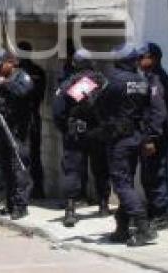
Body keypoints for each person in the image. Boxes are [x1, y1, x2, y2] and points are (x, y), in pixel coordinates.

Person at [99, 45, 166, 246]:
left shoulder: (112, 80)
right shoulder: (143, 81)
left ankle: (143, 227)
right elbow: (153, 110)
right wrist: (151, 136)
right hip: (136, 138)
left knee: (121, 184)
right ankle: (122, 227)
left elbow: (98, 105)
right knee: (127, 182)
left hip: (119, 140)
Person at [52, 49, 111, 227]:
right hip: (98, 132)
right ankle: (103, 205)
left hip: (75, 133)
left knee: (72, 170)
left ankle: (70, 210)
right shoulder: (103, 81)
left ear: (75, 64)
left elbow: (58, 111)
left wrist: (65, 128)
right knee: (101, 167)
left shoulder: (68, 84)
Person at [0, 49, 34, 219]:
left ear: (10, 62)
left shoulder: (22, 76)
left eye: (0, 66)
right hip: (2, 127)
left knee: (19, 168)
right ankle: (9, 203)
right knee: (5, 166)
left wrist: (5, 84)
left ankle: (21, 205)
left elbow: (25, 92)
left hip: (18, 130)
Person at [138, 43, 168, 230]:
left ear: (153, 58)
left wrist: (151, 137)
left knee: (156, 176)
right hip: (152, 134)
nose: (139, 61)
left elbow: (159, 112)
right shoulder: (149, 77)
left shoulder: (157, 80)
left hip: (156, 137)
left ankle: (159, 216)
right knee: (149, 176)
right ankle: (154, 212)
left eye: (142, 57)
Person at [17, 41, 47, 199]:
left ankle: (24, 190)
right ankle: (38, 189)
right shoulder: (39, 71)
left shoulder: (16, 73)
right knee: (35, 154)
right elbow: (40, 96)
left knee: (21, 156)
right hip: (34, 116)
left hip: (21, 118)